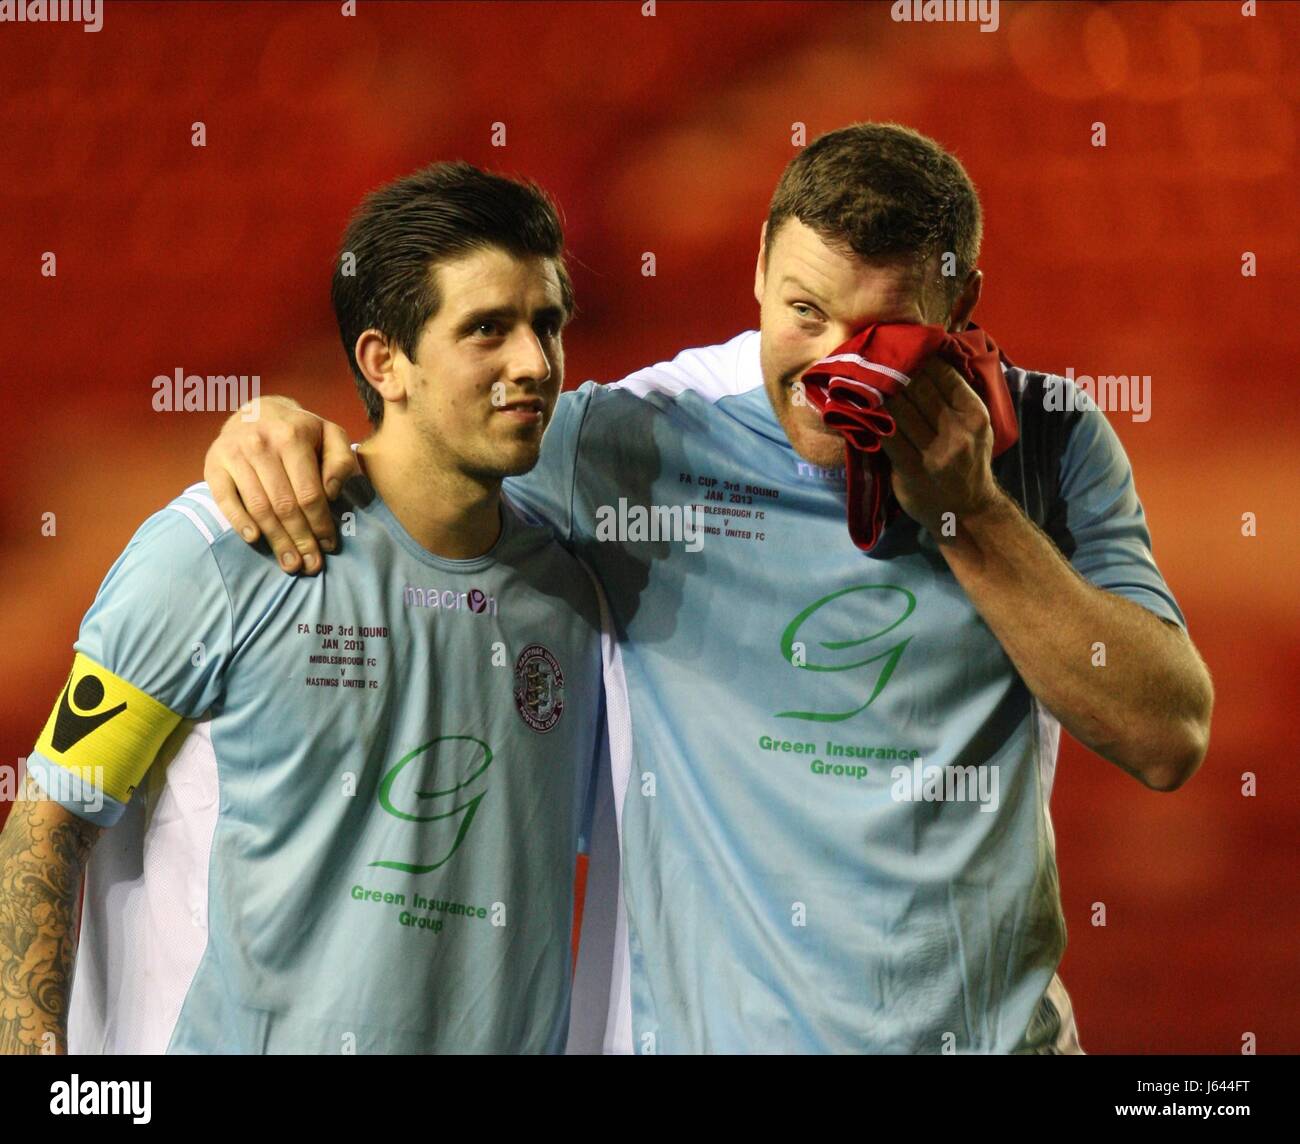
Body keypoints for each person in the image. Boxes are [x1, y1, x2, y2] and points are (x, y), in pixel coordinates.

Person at [202, 123, 1215, 1054]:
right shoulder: (634, 441)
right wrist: (276, 430)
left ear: (962, 306)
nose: (830, 367)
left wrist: (973, 513)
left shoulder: (1046, 440)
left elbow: (1166, 736)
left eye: (881, 333)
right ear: (759, 270)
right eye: (805, 312)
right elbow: (421, 457)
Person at [0, 161, 607, 1054]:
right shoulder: (217, 550)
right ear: (383, 362)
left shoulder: (577, 595)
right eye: (487, 329)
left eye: (546, 324)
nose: (534, 363)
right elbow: (49, 819)